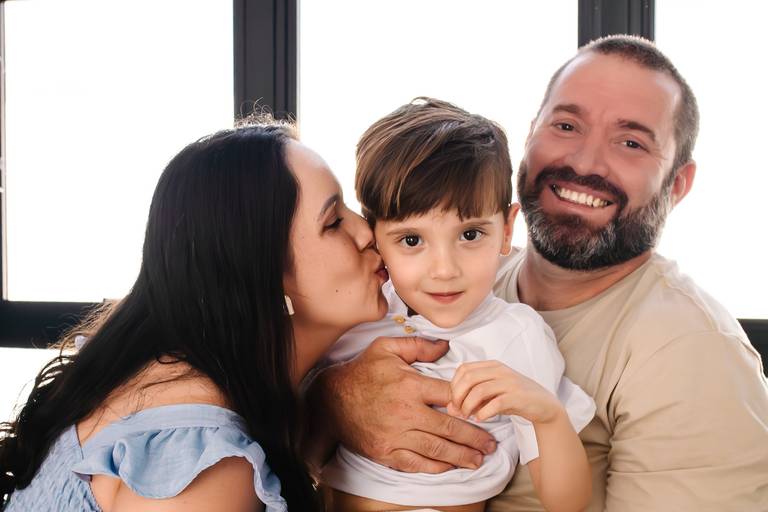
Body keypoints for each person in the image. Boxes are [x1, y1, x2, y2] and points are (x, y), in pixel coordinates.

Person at [311, 35, 768, 511]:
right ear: (531, 135)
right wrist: (335, 396)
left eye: (631, 142)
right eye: (567, 125)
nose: (585, 161)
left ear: (677, 184)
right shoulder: (434, 286)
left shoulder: (692, 351)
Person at [0, 117, 391, 511]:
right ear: (260, 273)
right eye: (334, 222)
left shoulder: (169, 370)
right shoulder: (198, 466)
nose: (367, 232)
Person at [319, 98, 595, 512]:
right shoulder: (360, 313)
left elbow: (566, 503)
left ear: (506, 230)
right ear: (374, 237)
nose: (445, 270)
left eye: (470, 235)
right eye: (412, 240)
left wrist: (548, 415)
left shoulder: (516, 336)